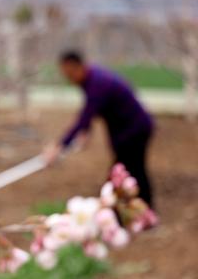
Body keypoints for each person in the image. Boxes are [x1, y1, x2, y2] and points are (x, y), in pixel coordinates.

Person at [43, 50, 155, 207]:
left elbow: (85, 117)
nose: (70, 80)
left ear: (77, 67)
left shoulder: (97, 83)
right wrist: (85, 133)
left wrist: (59, 146)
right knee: (130, 170)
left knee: (130, 171)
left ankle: (139, 211)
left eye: (70, 75)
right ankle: (132, 210)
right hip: (127, 130)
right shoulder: (92, 79)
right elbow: (91, 113)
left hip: (134, 130)